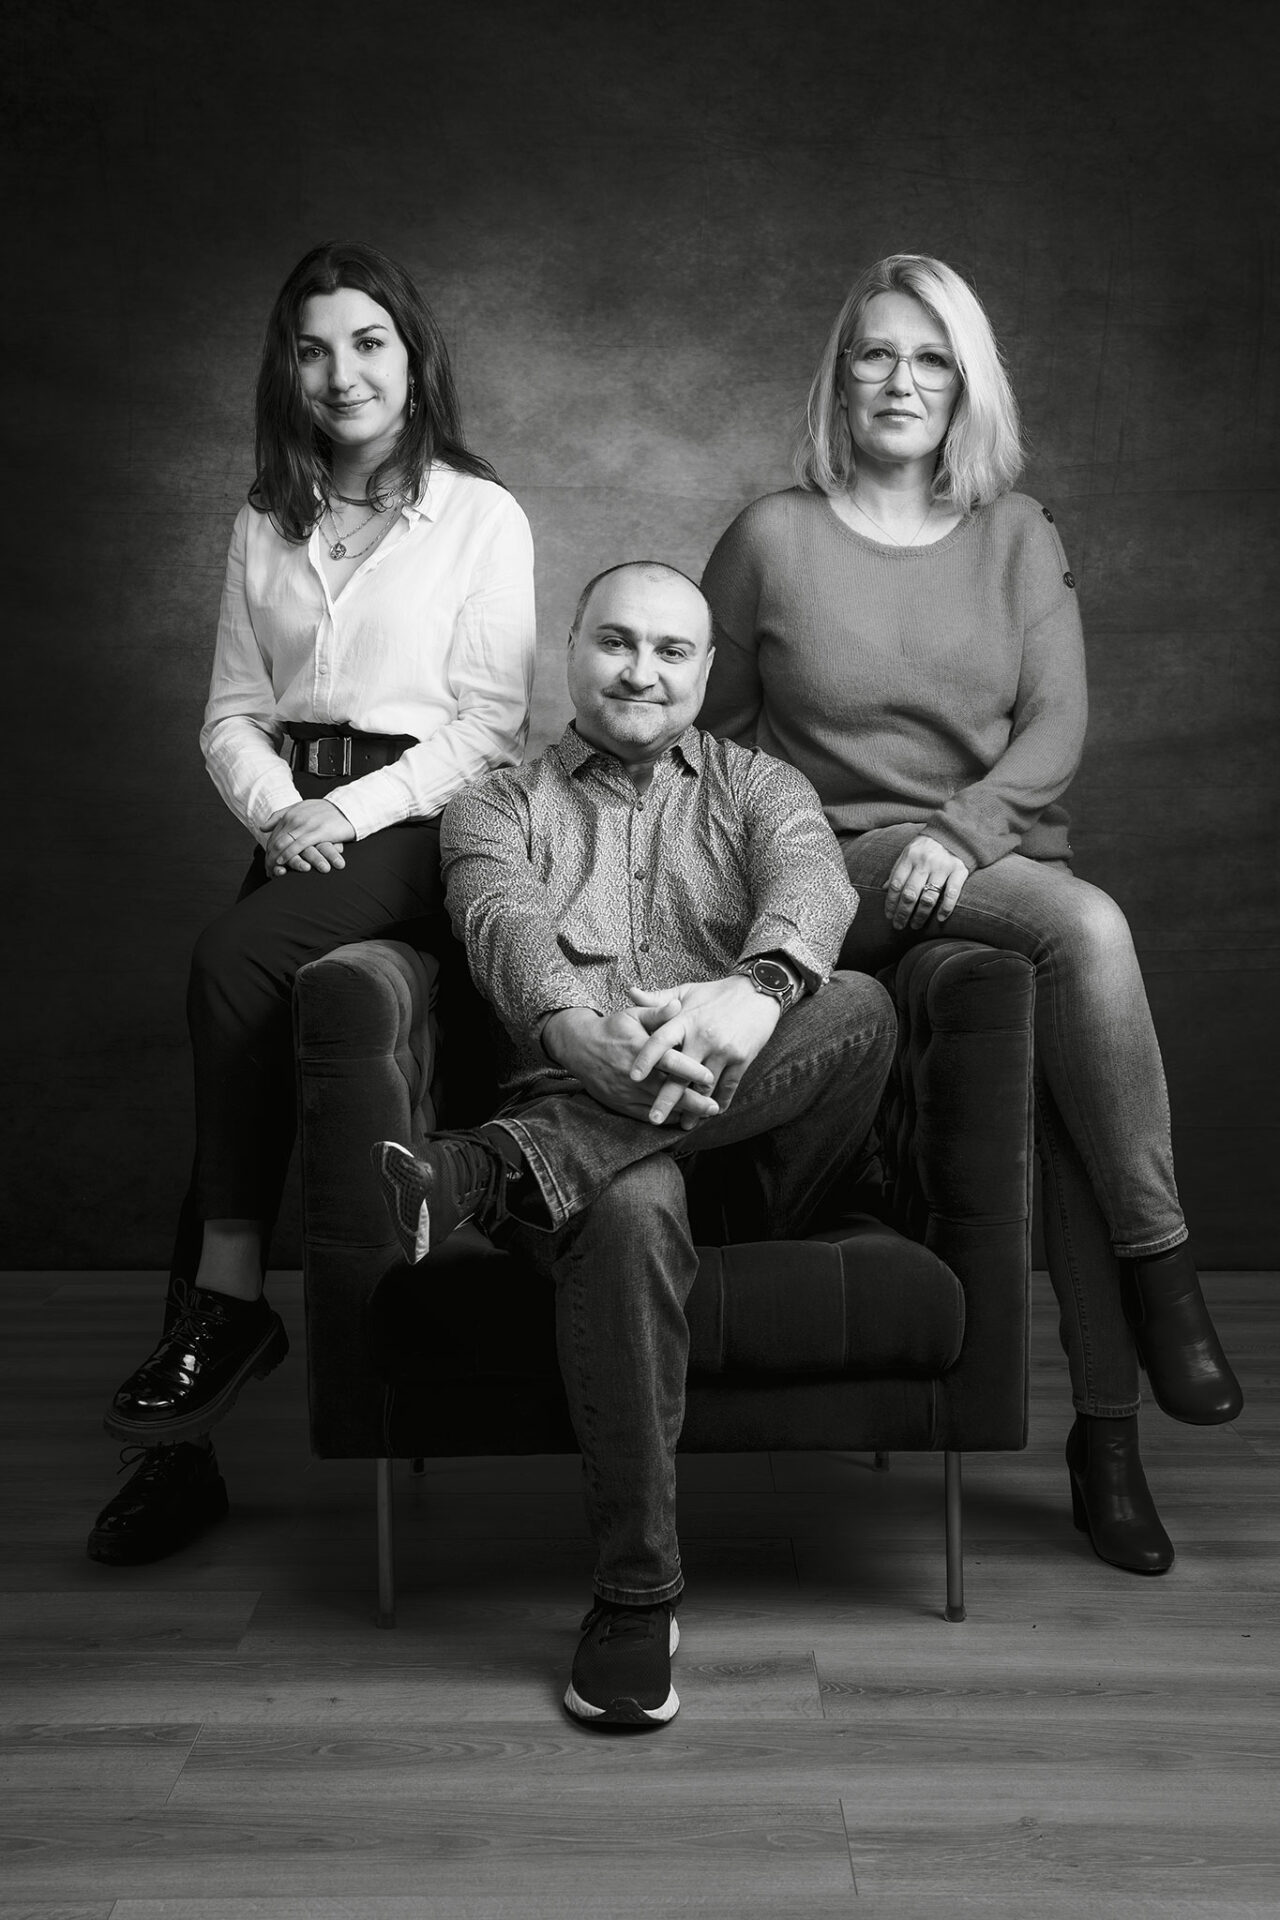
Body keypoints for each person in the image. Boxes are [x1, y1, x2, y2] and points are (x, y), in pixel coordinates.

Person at [699, 252, 1242, 1580]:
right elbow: (705, 745)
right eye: (875, 353)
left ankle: (1106, 1441)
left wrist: (962, 833)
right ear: (841, 378)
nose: (901, 380)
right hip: (839, 878)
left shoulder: (1018, 535)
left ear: (966, 385)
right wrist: (769, 872)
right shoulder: (770, 538)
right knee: (1091, 930)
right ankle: (1166, 1270)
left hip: (991, 872)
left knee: (1062, 1086)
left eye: (931, 357)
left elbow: (1055, 724)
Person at [372, 562, 895, 1728]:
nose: (640, 671)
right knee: (631, 1192)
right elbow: (499, 922)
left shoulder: (761, 787)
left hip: (763, 1164)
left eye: (670, 651)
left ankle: (493, 1163)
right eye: (616, 642)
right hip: (593, 1183)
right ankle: (634, 1599)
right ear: (571, 649)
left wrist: (755, 992)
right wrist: (573, 1029)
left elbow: (813, 884)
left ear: (704, 671)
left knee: (857, 1004)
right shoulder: (493, 804)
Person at [88, 241, 536, 1566]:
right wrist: (282, 809)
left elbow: (490, 730)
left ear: (413, 356)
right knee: (240, 1075)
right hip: (298, 822)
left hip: (424, 819)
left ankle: (233, 1303)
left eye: (368, 342)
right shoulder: (265, 517)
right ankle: (180, 1458)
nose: (343, 373)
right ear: (287, 370)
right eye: (313, 348)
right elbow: (233, 710)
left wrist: (342, 814)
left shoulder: (478, 516)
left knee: (230, 962)